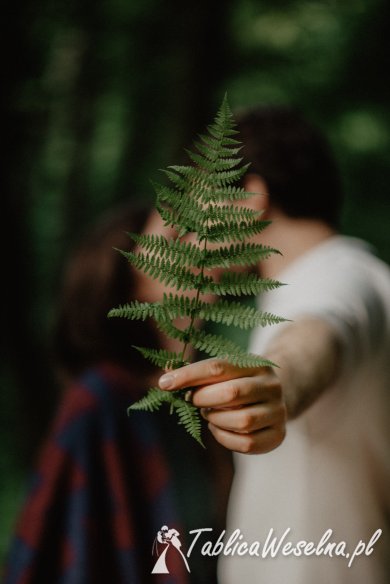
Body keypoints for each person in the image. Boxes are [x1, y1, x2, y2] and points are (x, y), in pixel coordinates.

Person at [156, 107, 390, 583]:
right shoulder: (367, 275)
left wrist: (275, 381)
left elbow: (319, 333)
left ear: (251, 197)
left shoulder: (331, 279)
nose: (190, 228)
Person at [4, 202, 231, 584]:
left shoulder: (203, 398)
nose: (199, 247)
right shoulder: (97, 402)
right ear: (129, 279)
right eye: (176, 239)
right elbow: (66, 556)